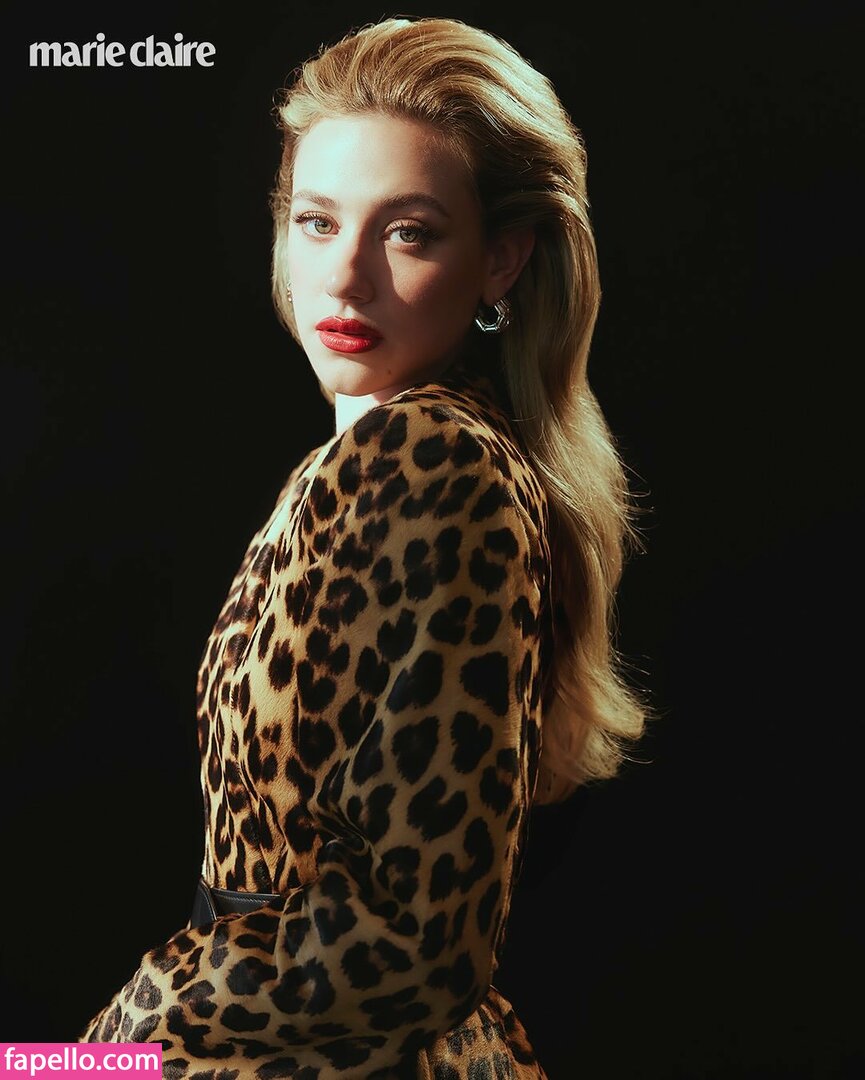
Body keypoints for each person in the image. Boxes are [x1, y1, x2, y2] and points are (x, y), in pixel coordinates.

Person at [79, 16, 648, 1078]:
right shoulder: (356, 466)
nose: (343, 278)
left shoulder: (438, 465)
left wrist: (104, 1052)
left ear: (502, 260)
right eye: (317, 221)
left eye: (408, 233)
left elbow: (413, 945)